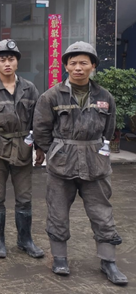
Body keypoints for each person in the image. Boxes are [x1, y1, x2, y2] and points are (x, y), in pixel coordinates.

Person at [33, 41, 127, 285]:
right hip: (61, 165)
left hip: (96, 164)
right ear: (65, 66)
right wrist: (56, 150)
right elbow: (41, 130)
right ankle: (60, 258)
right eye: (73, 63)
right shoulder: (51, 96)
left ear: (93, 66)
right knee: (57, 211)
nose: (78, 67)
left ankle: (108, 261)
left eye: (84, 63)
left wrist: (95, 149)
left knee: (102, 212)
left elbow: (109, 130)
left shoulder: (105, 97)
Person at [0, 40, 45, 259]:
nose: (7, 63)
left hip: (23, 149)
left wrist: (40, 147)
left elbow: (38, 120)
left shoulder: (29, 89)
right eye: (2, 60)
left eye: (11, 59)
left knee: (24, 197)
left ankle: (25, 240)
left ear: (17, 62)